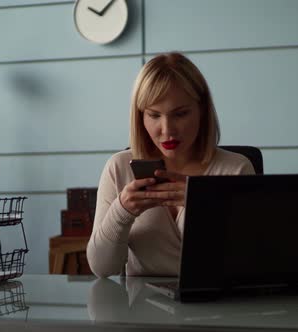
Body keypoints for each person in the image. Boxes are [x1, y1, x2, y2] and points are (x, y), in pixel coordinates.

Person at [87, 52, 255, 277]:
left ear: (202, 111)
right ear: (140, 117)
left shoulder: (236, 169)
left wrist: (204, 204)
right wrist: (122, 211)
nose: (167, 130)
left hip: (216, 307)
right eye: (154, 115)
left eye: (181, 114)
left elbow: (250, 263)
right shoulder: (119, 168)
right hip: (142, 309)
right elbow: (102, 269)